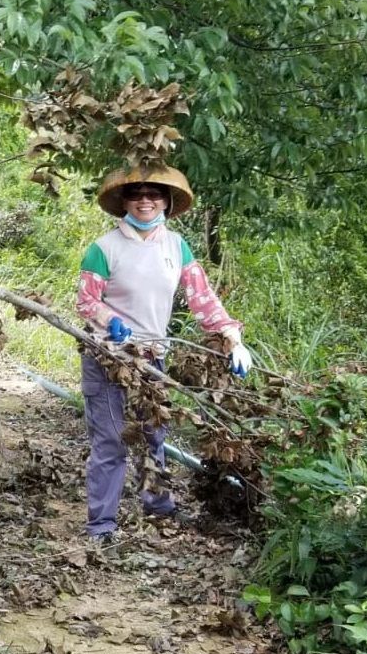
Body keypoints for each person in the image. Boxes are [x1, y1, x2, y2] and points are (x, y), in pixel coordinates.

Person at [76, 165, 253, 542]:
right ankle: (101, 525)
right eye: (136, 194)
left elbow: (202, 299)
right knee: (110, 441)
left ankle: (158, 507)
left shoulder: (177, 247)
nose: (145, 201)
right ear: (123, 201)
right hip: (108, 356)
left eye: (153, 194)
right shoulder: (104, 248)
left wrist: (232, 337)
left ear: (167, 202)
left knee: (153, 434)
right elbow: (87, 301)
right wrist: (110, 321)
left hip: (151, 357)